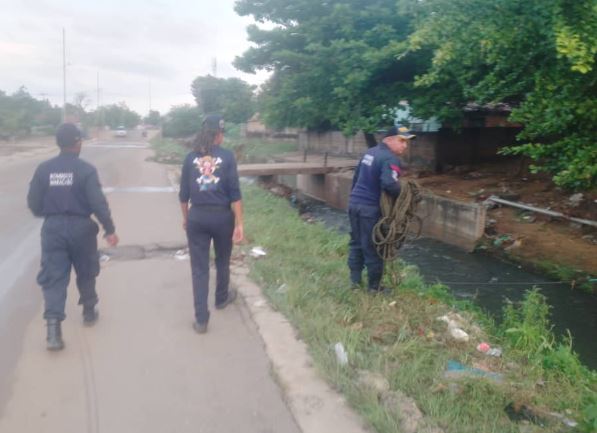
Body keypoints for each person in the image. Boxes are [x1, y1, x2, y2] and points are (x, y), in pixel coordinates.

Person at [27, 123, 119, 351]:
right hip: (81, 227)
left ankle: (53, 333)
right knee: (86, 270)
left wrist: (50, 214)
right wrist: (109, 229)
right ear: (77, 143)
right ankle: (89, 312)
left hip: (53, 229)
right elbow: (98, 203)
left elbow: (33, 203)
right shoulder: (85, 170)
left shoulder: (44, 169)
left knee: (54, 278)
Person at [179, 114, 244, 334]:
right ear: (218, 134)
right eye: (222, 132)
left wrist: (187, 219)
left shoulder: (190, 158)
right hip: (222, 218)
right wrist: (239, 224)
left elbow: (183, 195)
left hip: (197, 216)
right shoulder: (228, 157)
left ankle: (201, 320)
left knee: (199, 269)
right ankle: (221, 298)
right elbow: (235, 194)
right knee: (223, 260)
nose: (223, 136)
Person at [347, 125, 415, 293]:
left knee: (356, 243)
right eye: (401, 141)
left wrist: (356, 199)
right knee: (374, 247)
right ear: (389, 140)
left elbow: (356, 178)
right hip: (370, 209)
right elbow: (389, 184)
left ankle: (355, 283)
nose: (405, 145)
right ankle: (374, 289)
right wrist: (406, 193)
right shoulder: (390, 158)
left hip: (355, 204)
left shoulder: (369, 153)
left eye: (406, 142)